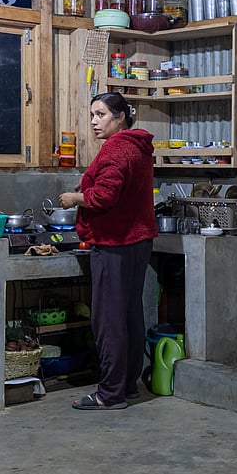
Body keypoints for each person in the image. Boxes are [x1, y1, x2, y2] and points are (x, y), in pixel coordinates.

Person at [60, 92, 157, 410]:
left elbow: (104, 197)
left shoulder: (116, 148)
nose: (93, 121)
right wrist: (87, 186)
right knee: (130, 315)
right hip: (138, 242)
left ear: (120, 117)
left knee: (109, 321)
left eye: (100, 115)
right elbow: (115, 186)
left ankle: (109, 394)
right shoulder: (138, 146)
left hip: (115, 244)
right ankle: (127, 385)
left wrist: (76, 199)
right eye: (92, 115)